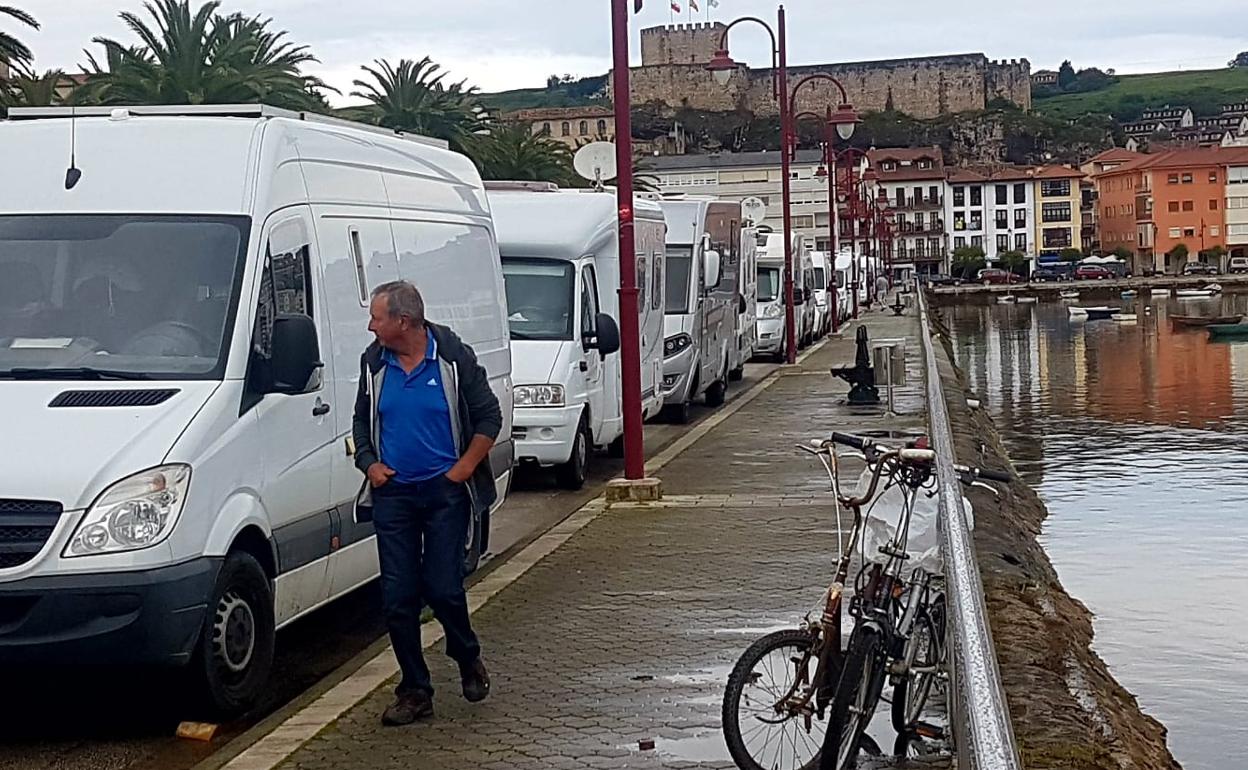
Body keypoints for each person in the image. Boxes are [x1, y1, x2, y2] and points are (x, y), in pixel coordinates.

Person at [351, 280, 502, 726]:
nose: (370, 325)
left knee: (442, 588)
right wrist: (369, 463)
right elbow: (362, 420)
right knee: (398, 598)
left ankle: (466, 655)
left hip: (443, 494)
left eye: (376, 317)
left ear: (403, 322)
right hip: (393, 494)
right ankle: (415, 690)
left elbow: (489, 418)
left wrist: (461, 470)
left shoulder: (454, 359)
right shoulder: (374, 363)